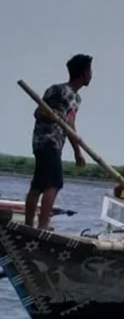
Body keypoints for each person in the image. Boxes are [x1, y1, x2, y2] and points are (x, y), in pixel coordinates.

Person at [24, 54, 92, 230]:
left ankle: (30, 225)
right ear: (83, 74)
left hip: (57, 144)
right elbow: (38, 113)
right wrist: (51, 117)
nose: (91, 74)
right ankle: (42, 225)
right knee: (54, 182)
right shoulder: (57, 90)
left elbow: (70, 125)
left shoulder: (76, 99)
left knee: (39, 182)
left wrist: (77, 152)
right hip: (46, 141)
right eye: (89, 71)